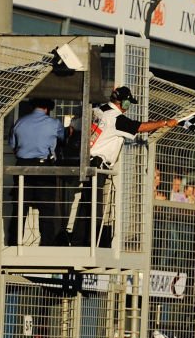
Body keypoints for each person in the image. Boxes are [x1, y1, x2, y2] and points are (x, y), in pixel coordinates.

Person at [75, 86, 177, 246]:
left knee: (86, 202)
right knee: (95, 204)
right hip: (97, 163)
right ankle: (91, 241)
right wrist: (164, 123)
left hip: (86, 158)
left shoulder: (99, 110)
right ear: (124, 102)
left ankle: (78, 238)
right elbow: (139, 127)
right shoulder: (116, 118)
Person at [9, 98, 64, 246]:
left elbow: (13, 145)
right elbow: (62, 140)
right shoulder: (54, 124)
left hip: (22, 167)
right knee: (46, 208)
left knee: (20, 207)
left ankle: (14, 242)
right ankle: (47, 243)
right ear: (48, 109)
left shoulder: (19, 122)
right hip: (44, 166)